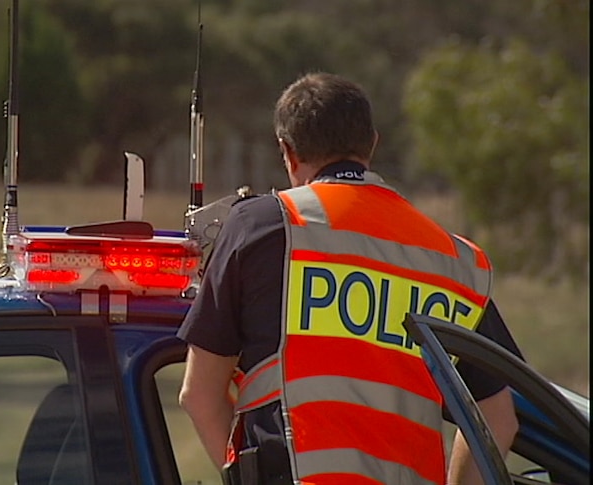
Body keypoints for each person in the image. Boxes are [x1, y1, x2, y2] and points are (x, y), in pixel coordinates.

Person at [177, 71, 523, 485]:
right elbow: (499, 420)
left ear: (287, 152)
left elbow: (199, 396)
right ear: (372, 144)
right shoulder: (456, 260)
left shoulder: (266, 227)